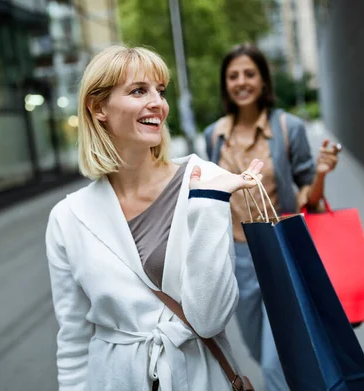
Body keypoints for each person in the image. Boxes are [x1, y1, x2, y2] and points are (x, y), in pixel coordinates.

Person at [46, 45, 263, 391]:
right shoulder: (68, 218)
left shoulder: (204, 180)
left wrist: (208, 204)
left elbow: (209, 320)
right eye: (138, 91)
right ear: (98, 107)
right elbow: (73, 337)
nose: (157, 103)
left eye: (159, 92)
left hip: (198, 378)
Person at [203, 43, 340, 391]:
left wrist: (321, 174)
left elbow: (308, 194)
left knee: (273, 360)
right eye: (233, 76)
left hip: (280, 253)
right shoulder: (214, 137)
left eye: (250, 73)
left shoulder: (287, 127)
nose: (241, 81)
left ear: (263, 80)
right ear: (226, 84)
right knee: (252, 343)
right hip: (237, 259)